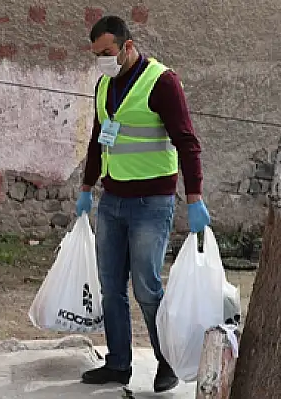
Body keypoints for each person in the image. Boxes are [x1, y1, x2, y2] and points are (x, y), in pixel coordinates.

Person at [76, 16, 210, 392]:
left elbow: (187, 141)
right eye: (96, 55)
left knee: (147, 288)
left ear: (128, 46)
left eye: (107, 52)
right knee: (111, 287)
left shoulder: (161, 82)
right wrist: (87, 187)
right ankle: (118, 364)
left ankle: (165, 362)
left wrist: (195, 197)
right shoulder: (103, 85)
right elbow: (96, 139)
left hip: (152, 203)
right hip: (112, 199)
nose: (101, 60)